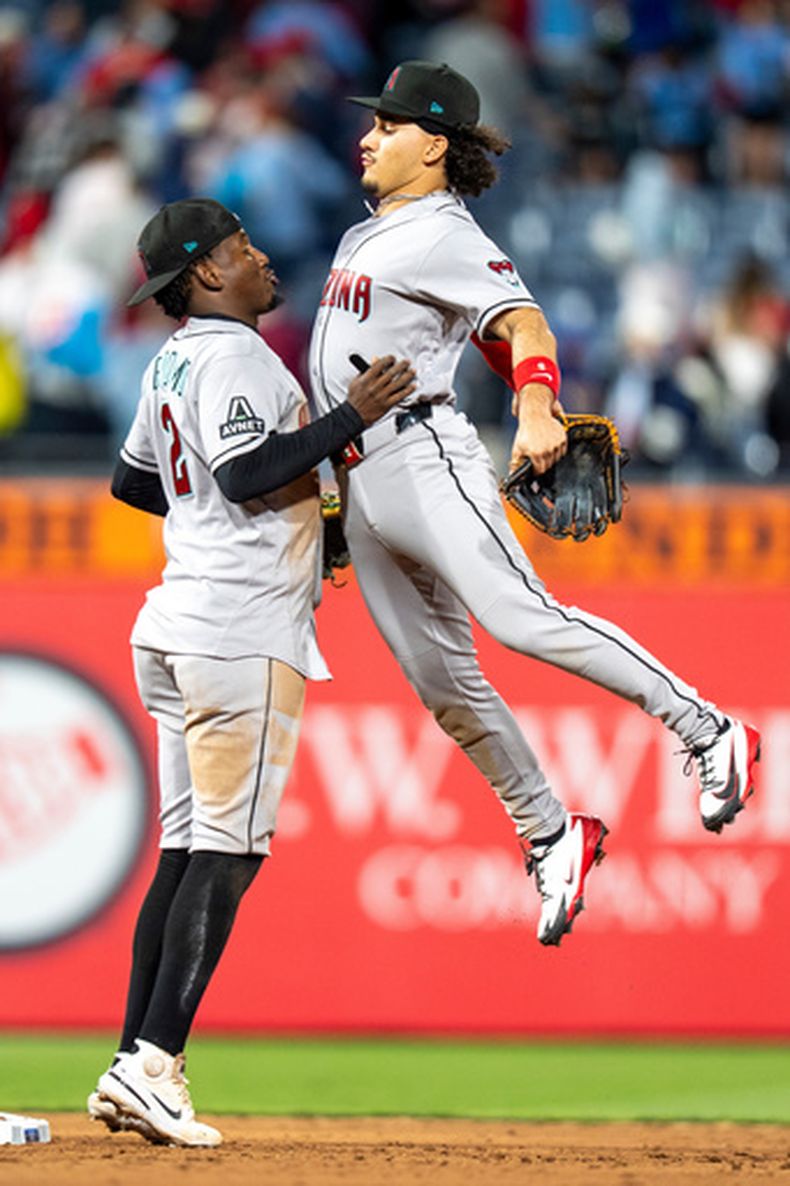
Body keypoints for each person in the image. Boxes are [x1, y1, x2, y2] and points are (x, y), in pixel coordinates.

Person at [308, 61, 761, 949]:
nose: (369, 135)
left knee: (523, 617)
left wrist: (536, 406)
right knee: (444, 686)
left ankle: (708, 729)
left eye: (389, 125)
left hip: (423, 451)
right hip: (359, 477)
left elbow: (522, 322)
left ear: (432, 145)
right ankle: (554, 832)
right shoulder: (372, 231)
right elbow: (457, 331)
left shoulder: (443, 228)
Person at [86, 197, 415, 1147]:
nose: (262, 257)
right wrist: (351, 418)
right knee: (229, 854)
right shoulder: (230, 354)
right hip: (237, 629)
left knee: (188, 851)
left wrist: (290, 503)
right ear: (203, 276)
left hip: (179, 620)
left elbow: (136, 480)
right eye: (240, 249)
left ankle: (132, 1063)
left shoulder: (171, 362)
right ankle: (154, 1065)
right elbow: (239, 474)